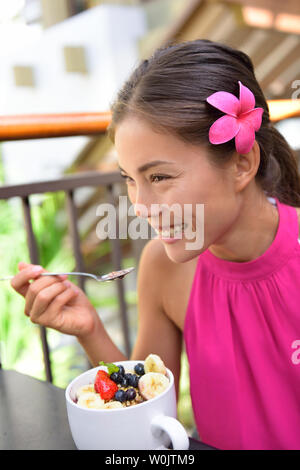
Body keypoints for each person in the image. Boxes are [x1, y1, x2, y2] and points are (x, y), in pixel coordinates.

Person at [11, 39, 300, 450]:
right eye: (130, 179)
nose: (141, 207)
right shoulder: (165, 267)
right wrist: (90, 330)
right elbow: (147, 423)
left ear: (241, 163)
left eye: (160, 177)